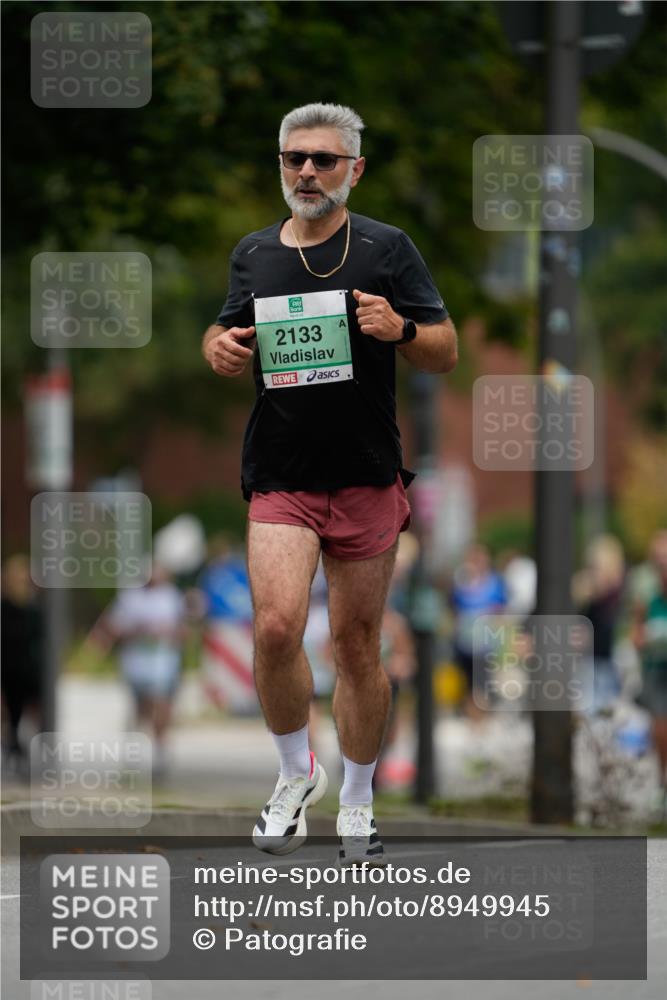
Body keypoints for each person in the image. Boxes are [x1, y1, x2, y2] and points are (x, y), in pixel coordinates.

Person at [202, 102, 457, 865]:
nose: (305, 171)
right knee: (276, 626)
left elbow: (444, 352)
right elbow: (222, 331)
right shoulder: (253, 253)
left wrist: (400, 330)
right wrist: (219, 349)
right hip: (280, 474)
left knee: (355, 646)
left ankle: (358, 796)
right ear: (279, 163)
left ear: (354, 168)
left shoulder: (386, 247)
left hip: (366, 476)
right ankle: (293, 777)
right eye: (293, 158)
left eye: (322, 159)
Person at [85, 563, 188, 776]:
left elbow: (183, 631)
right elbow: (113, 626)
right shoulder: (130, 598)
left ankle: (160, 751)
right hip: (136, 665)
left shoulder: (172, 597)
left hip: (164, 664)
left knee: (160, 706)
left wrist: (170, 634)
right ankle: (134, 751)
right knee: (140, 709)